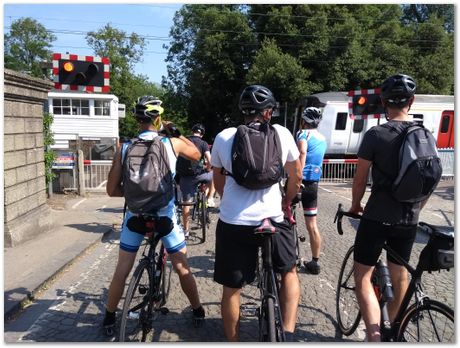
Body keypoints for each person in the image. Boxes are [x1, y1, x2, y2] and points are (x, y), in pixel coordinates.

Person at [103, 96, 205, 335]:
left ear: (137, 119)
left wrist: (132, 195)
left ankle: (108, 317)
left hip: (135, 216)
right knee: (181, 266)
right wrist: (174, 131)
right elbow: (197, 155)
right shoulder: (171, 143)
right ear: (157, 118)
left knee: (122, 269)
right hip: (165, 216)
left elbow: (111, 190)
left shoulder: (125, 147)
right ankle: (198, 309)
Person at [211, 85, 302, 341]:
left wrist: (226, 199)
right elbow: (295, 175)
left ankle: (233, 342)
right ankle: (289, 332)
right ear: (269, 112)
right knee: (289, 272)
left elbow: (218, 181)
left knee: (232, 288)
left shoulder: (223, 137)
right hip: (272, 217)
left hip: (234, 220)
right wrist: (287, 200)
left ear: (243, 111)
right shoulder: (282, 134)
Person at [348, 74, 423, 341]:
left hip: (377, 216)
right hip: (409, 219)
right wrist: (417, 207)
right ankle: (396, 329)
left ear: (383, 102)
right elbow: (430, 180)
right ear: (411, 101)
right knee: (399, 274)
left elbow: (359, 179)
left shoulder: (376, 134)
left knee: (363, 277)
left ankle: (375, 337)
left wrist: (356, 205)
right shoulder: (424, 135)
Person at [295, 107, 327, 275]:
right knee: (312, 225)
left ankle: (285, 254)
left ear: (304, 121)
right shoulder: (322, 138)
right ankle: (315, 262)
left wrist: (297, 178)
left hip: (300, 181)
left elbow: (302, 152)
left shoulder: (303, 135)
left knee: (284, 215)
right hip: (313, 184)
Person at [176, 123, 215, 238]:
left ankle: (186, 230)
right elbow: (210, 160)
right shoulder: (203, 143)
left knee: (186, 203)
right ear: (202, 134)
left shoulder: (183, 141)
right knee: (213, 175)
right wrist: (208, 168)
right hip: (200, 175)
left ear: (192, 131)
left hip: (185, 177)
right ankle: (210, 197)